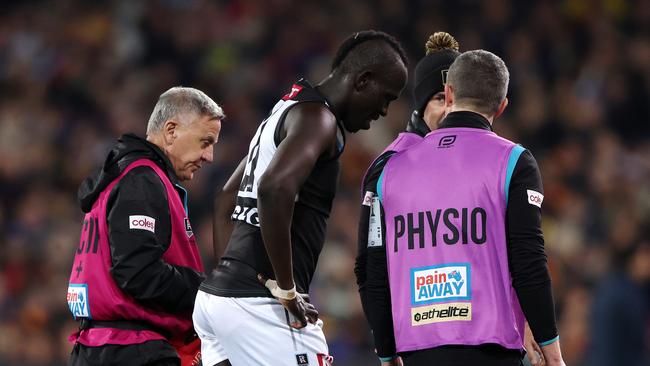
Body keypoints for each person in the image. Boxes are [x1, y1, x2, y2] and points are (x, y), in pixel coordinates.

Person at [193, 30, 408, 366]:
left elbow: (225, 200)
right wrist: (286, 288)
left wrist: (230, 280)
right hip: (262, 308)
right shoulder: (318, 119)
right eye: (387, 97)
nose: (383, 110)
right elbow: (273, 188)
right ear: (363, 80)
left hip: (218, 301)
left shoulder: (286, 110)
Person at [355, 50, 566, 366]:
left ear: (450, 94)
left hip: (417, 351)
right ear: (503, 105)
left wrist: (386, 354)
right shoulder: (513, 162)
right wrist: (553, 352)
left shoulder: (389, 170)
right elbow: (528, 260)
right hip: (491, 350)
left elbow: (372, 270)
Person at [66, 87, 225, 366]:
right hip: (133, 350)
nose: (209, 156)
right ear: (171, 131)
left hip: (101, 347)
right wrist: (208, 291)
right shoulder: (142, 180)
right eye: (205, 141)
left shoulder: (126, 176)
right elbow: (138, 271)